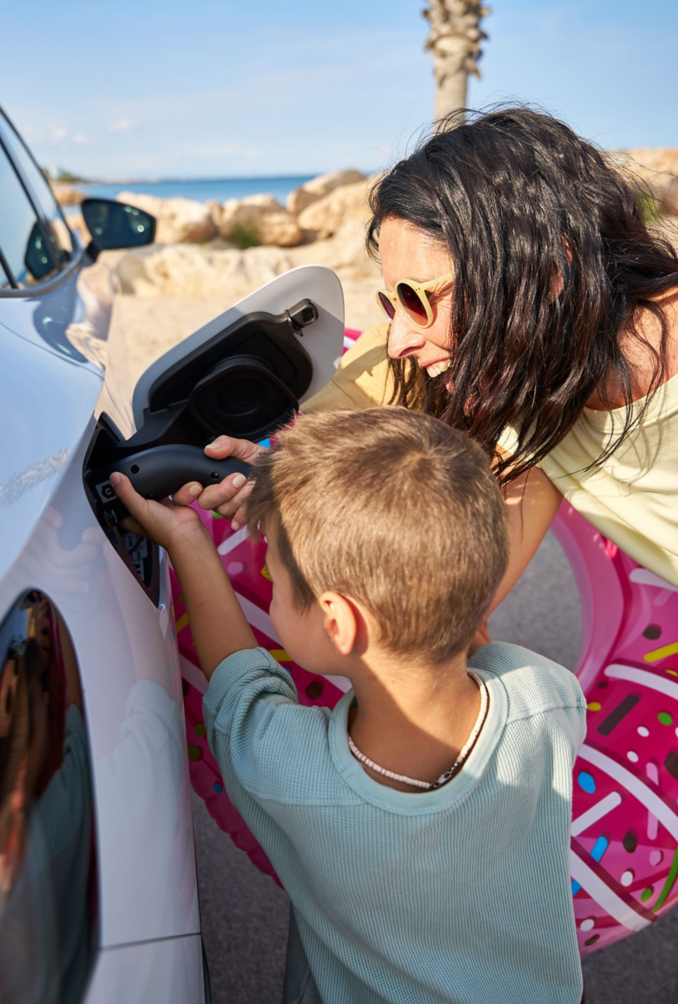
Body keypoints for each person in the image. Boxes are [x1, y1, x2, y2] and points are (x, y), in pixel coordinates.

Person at [110, 406, 586, 1004]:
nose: (270, 583)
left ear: (337, 622)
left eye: (275, 575)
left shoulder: (286, 772)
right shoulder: (544, 699)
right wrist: (307, 499)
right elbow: (462, 621)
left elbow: (240, 682)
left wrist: (186, 538)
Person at [173, 108, 678, 614]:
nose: (399, 342)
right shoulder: (534, 397)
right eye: (392, 305)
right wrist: (291, 479)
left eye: (416, 299)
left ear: (548, 275)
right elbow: (451, 612)